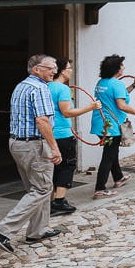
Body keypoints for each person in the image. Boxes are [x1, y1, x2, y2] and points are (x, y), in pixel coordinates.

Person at [0, 55, 64, 253]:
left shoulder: (21, 85)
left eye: (55, 67)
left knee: (36, 187)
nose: (54, 71)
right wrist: (54, 147)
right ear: (36, 69)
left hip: (17, 144)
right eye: (50, 68)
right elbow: (42, 121)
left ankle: (37, 231)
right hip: (34, 145)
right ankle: (2, 230)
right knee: (42, 189)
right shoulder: (40, 88)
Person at [48, 58, 101, 215]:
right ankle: (59, 201)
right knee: (67, 166)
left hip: (49, 133)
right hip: (63, 133)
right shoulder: (62, 89)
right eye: (69, 68)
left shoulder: (45, 86)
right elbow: (67, 112)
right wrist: (90, 107)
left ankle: (50, 201)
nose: (71, 71)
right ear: (63, 71)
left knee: (54, 168)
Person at [90, 54, 135, 199]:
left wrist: (134, 85)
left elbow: (119, 95)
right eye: (121, 65)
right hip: (111, 126)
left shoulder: (101, 83)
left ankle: (118, 178)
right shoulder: (117, 84)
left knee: (112, 152)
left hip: (99, 123)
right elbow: (121, 104)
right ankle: (100, 188)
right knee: (108, 156)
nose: (124, 67)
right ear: (116, 69)